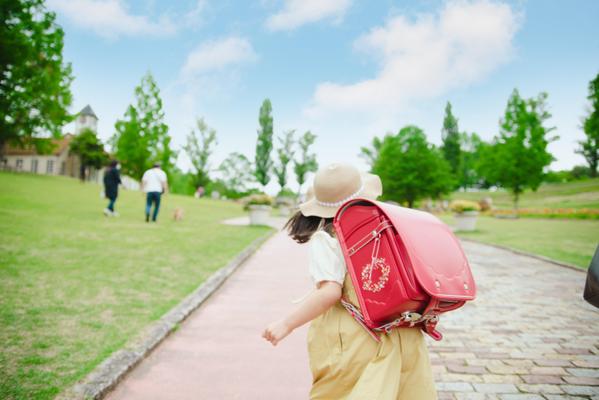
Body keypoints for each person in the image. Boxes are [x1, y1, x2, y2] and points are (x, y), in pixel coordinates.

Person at [262, 163, 437, 400]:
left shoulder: (327, 238)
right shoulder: (386, 230)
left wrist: (286, 323)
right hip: (403, 331)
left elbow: (330, 292)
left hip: (357, 337)